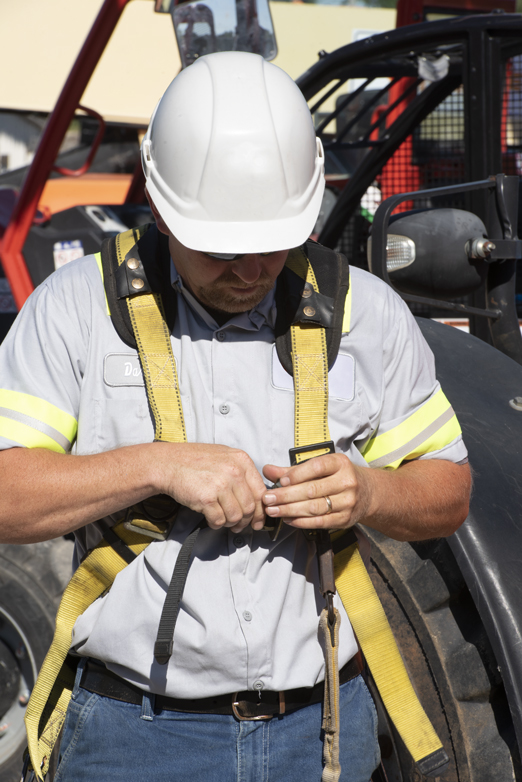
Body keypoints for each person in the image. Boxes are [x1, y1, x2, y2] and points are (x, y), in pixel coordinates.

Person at [0, 52, 471, 782]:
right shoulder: (75, 311)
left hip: (321, 729)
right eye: (221, 251)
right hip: (134, 737)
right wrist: (157, 464)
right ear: (160, 208)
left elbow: (449, 490)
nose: (250, 272)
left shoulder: (364, 313)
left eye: (271, 245)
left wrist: (369, 492)